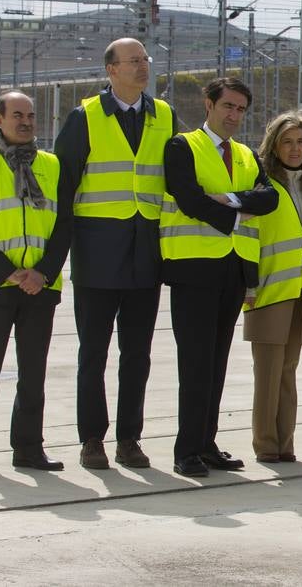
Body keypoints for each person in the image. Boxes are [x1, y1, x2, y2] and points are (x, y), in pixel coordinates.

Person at [55, 37, 177, 471]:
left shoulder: (163, 115)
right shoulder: (84, 117)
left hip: (146, 253)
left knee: (138, 355)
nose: (142, 67)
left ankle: (130, 438)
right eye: (133, 61)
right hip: (97, 253)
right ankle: (91, 439)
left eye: (145, 59)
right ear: (111, 70)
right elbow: (63, 187)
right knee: (93, 354)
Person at [160, 77, 278, 477]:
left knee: (216, 362)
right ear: (208, 105)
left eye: (241, 109)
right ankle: (186, 449)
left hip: (233, 268)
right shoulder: (182, 145)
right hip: (194, 267)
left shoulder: (246, 154)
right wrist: (241, 211)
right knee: (194, 363)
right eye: (228, 106)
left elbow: (271, 197)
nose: (234, 115)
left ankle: (207, 443)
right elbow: (189, 198)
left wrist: (229, 201)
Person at [0, 91, 73, 473]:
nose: (25, 122)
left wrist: (43, 273)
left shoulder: (55, 167)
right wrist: (9, 273)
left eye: (31, 115)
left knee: (33, 373)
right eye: (17, 115)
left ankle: (28, 448)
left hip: (41, 287)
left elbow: (64, 227)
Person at [244, 112, 302, 464]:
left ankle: (286, 442)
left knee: (288, 370)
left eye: (300, 141)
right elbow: (249, 234)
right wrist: (248, 283)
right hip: (268, 289)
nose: (295, 149)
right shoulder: (261, 183)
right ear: (274, 145)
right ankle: (266, 443)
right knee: (267, 372)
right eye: (287, 141)